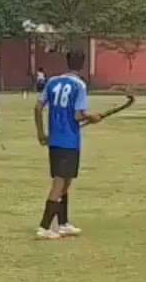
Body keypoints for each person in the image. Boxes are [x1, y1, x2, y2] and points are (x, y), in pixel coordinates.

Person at [34, 50, 104, 240]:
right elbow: (78, 115)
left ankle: (63, 223)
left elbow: (38, 107)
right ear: (82, 64)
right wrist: (93, 117)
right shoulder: (79, 85)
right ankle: (44, 226)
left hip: (55, 139)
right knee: (59, 183)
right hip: (69, 140)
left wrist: (41, 133)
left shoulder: (52, 81)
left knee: (65, 182)